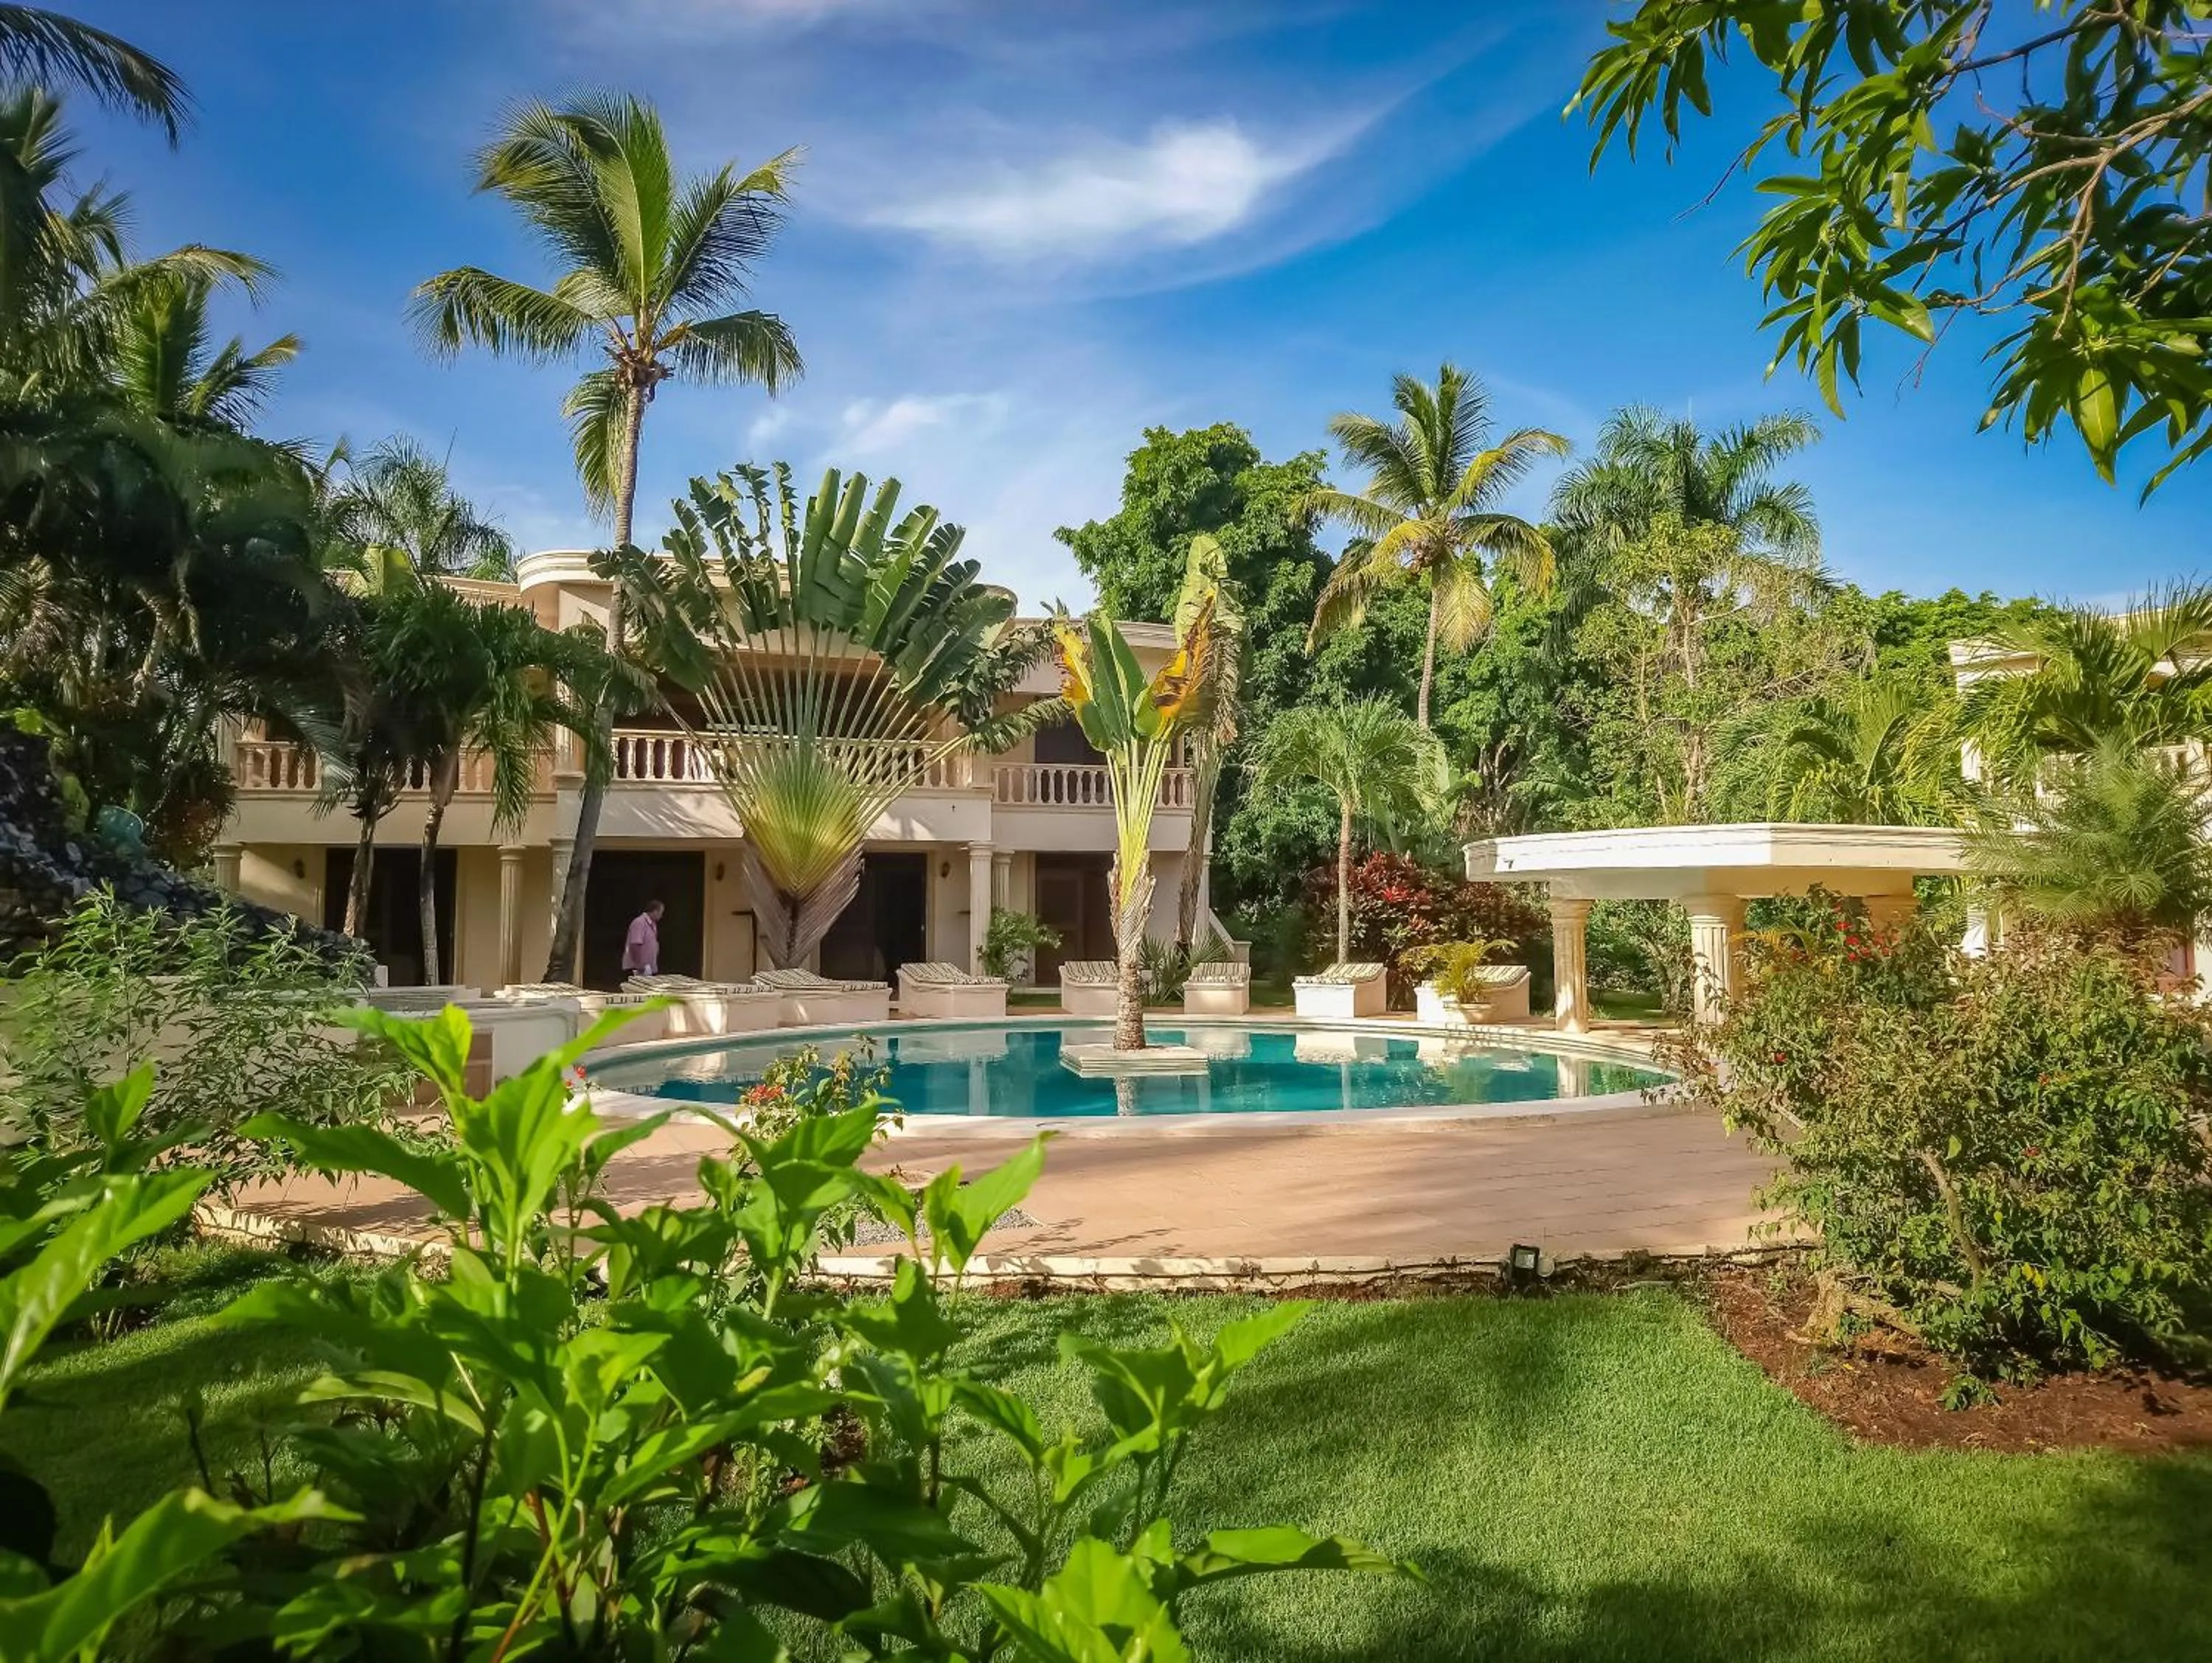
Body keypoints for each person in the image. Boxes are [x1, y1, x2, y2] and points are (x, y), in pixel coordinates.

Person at [622, 899, 664, 979]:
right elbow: (635, 944)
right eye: (661, 913)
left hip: (648, 968)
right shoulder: (640, 923)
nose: (661, 916)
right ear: (655, 911)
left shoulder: (653, 925)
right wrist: (640, 965)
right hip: (639, 969)